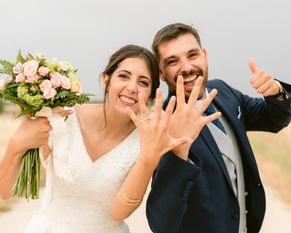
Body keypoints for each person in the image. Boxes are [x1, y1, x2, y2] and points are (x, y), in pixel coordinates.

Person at [0, 44, 217, 233]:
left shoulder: (145, 140)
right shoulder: (63, 118)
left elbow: (118, 211)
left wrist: (148, 158)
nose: (131, 88)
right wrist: (17, 144)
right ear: (106, 81)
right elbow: (5, 191)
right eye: (123, 76)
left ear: (151, 95)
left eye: (143, 82)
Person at [146, 23, 291, 233]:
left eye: (192, 55)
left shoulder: (223, 91)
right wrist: (179, 151)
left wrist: (276, 92)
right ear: (161, 73)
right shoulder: (162, 124)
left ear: (204, 55)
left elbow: (274, 120)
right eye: (173, 61)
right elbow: (161, 222)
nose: (186, 67)